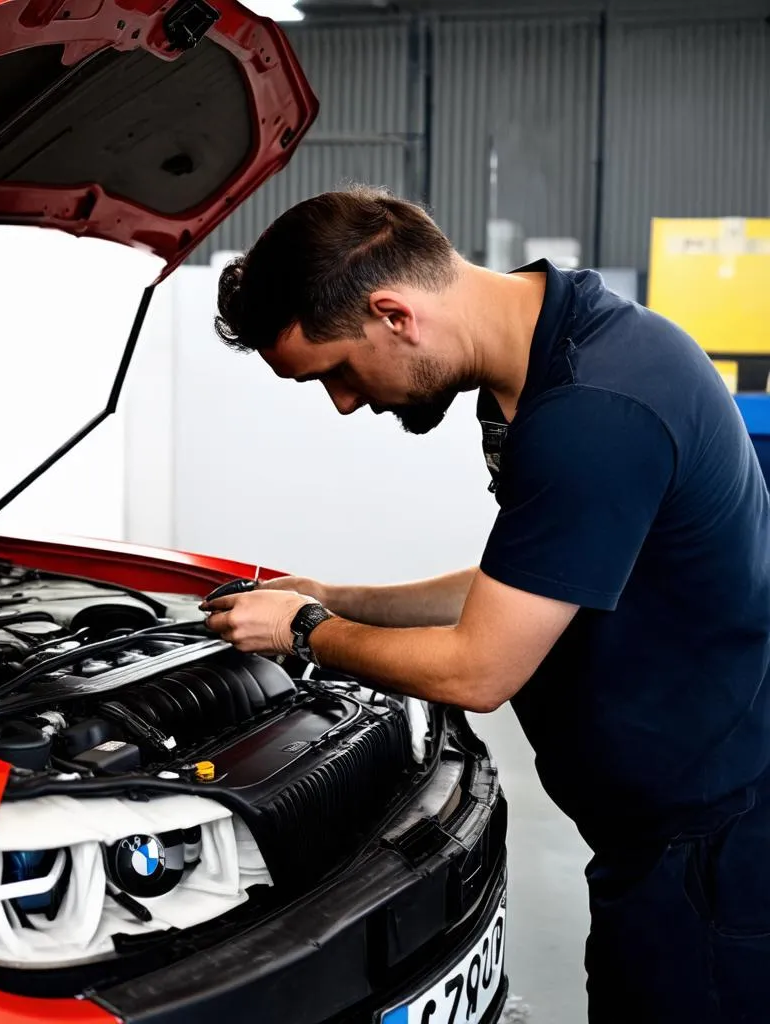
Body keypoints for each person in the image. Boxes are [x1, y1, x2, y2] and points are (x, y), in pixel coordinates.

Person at [201, 186, 770, 1023]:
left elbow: (480, 668)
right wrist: (330, 594)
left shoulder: (592, 412)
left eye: (338, 373)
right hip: (668, 831)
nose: (346, 404)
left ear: (395, 315)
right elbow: (525, 590)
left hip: (711, 851)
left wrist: (308, 632)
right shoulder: (554, 345)